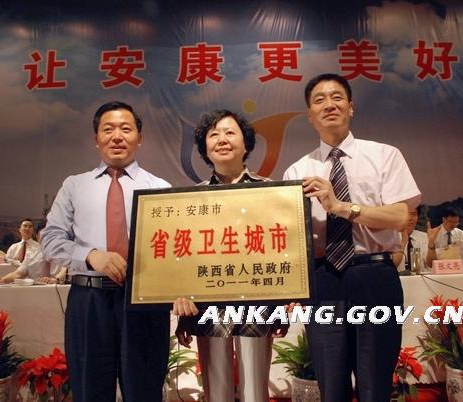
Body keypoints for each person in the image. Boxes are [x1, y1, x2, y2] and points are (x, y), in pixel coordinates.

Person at [283, 73, 421, 402]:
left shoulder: (385, 155)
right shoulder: (296, 171)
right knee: (331, 386)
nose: (329, 105)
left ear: (351, 107)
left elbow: (400, 216)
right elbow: (290, 238)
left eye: (337, 97)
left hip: (375, 276)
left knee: (376, 386)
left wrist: (340, 207)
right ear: (310, 115)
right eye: (319, 100)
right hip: (322, 280)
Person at [40, 101, 171, 402]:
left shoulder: (160, 187)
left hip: (143, 302)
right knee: (90, 390)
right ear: (96, 139)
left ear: (139, 137)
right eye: (108, 129)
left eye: (126, 129)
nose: (117, 136)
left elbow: (174, 248)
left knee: (144, 390)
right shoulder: (74, 186)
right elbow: (51, 239)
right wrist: (90, 255)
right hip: (89, 300)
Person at [173, 109, 287, 402]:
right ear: (205, 149)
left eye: (230, 132)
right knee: (216, 390)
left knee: (255, 390)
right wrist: (183, 310)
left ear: (246, 143)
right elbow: (183, 258)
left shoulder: (270, 191)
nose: (222, 139)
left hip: (257, 300)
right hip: (208, 302)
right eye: (213, 135)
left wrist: (282, 304)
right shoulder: (191, 199)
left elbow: (282, 250)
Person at [0, 218, 50, 283]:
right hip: (35, 285)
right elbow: (18, 274)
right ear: (37, 236)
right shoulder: (31, 254)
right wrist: (0, 280)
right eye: (25, 226)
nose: (27, 229)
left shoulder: (61, 253)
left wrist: (57, 280)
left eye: (30, 227)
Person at [393, 206, 429, 273]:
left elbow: (430, 265)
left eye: (414, 214)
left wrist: (432, 245)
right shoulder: (390, 238)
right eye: (406, 214)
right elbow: (390, 266)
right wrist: (403, 242)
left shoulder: (425, 237)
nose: (410, 218)